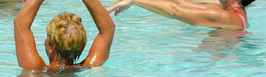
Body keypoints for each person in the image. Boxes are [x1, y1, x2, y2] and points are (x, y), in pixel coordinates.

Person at [15, 0, 116, 69]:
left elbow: (20, 24)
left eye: (48, 35)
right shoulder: (90, 66)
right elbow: (108, 29)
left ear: (51, 47)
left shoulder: (34, 69)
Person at [107, 0, 254, 31]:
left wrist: (134, 0)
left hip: (211, 74)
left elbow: (175, 11)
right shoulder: (226, 11)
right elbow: (179, 2)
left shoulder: (228, 17)